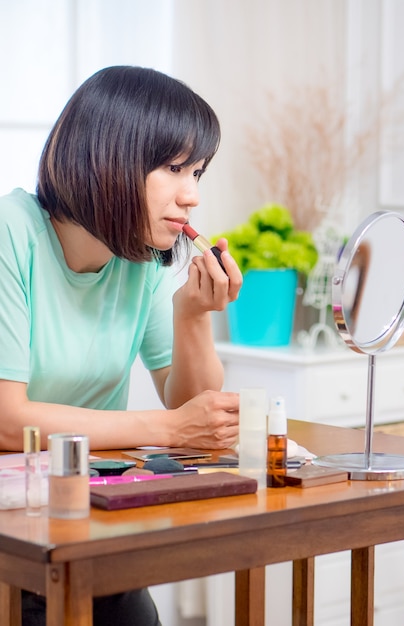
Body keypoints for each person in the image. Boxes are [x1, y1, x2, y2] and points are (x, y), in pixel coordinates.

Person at [0, 65, 242, 626]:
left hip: (88, 520)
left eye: (198, 172)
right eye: (174, 168)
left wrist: (192, 314)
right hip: (13, 540)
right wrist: (170, 430)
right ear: (107, 158)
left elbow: (193, 411)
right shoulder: (10, 233)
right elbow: (10, 421)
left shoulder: (141, 257)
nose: (193, 196)